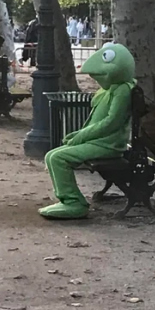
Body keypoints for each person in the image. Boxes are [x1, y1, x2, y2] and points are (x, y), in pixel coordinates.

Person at [40, 43, 136, 220]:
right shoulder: (111, 89)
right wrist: (79, 134)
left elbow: (111, 122)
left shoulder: (122, 90)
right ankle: (66, 199)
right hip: (102, 141)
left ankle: (74, 202)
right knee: (51, 155)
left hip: (109, 145)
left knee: (57, 158)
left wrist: (82, 136)